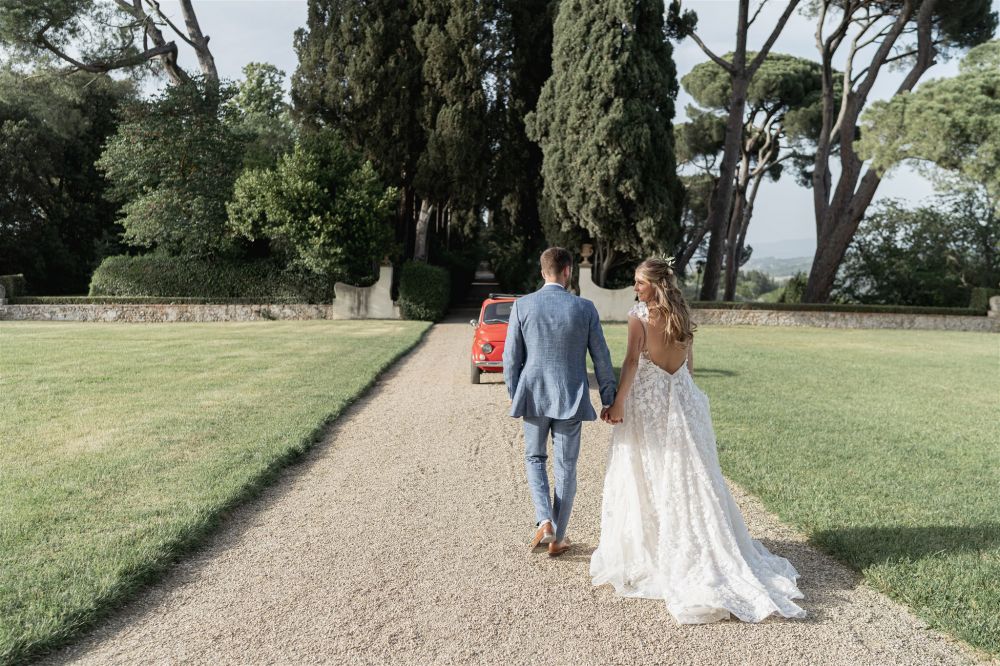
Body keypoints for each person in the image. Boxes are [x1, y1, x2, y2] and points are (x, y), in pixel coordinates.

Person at [590, 257, 806, 623]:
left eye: (640, 282)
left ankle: (660, 550)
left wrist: (618, 403)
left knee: (650, 472)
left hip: (650, 403)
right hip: (684, 401)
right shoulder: (684, 316)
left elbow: (630, 363)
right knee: (689, 475)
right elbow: (688, 368)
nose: (635, 287)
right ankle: (699, 543)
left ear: (655, 284)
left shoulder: (639, 315)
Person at [503, 247, 617, 557]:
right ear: (568, 271)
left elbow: (510, 357)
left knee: (534, 458)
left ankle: (544, 520)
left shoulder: (522, 306)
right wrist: (609, 398)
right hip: (571, 397)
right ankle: (557, 537)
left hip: (533, 397)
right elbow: (602, 358)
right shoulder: (585, 308)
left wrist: (515, 393)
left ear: (543, 273)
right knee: (566, 467)